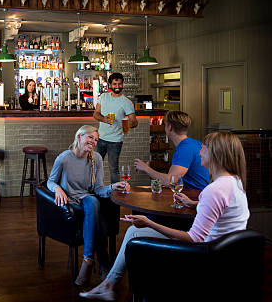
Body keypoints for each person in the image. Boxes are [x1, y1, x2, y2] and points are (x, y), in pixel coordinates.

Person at [80, 131, 250, 301]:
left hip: (203, 256)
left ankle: (112, 286)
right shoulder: (234, 182)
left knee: (135, 234)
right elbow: (222, 208)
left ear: (216, 154)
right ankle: (108, 285)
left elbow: (194, 239)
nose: (199, 153)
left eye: (203, 149)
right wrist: (194, 204)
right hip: (226, 254)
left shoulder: (214, 190)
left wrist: (149, 223)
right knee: (133, 232)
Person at [47, 125, 129, 286]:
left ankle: (88, 260)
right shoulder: (64, 158)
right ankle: (104, 264)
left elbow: (98, 189)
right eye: (90, 137)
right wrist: (57, 188)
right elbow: (50, 181)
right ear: (79, 137)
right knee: (101, 222)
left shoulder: (96, 158)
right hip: (70, 202)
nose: (93, 141)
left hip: (87, 199)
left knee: (92, 201)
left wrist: (113, 187)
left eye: (96, 139)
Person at [134, 111, 209, 191]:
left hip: (193, 197)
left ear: (170, 127)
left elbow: (170, 181)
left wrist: (146, 168)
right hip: (196, 195)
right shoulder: (194, 143)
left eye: (165, 125)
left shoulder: (185, 149)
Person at [93, 72, 138, 184]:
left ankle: (114, 195)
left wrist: (125, 124)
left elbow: (134, 122)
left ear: (122, 85)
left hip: (115, 141)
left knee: (113, 170)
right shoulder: (103, 97)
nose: (117, 87)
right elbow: (96, 114)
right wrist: (104, 119)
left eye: (119, 84)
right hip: (100, 138)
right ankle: (94, 189)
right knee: (94, 167)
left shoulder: (127, 102)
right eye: (114, 84)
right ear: (109, 85)